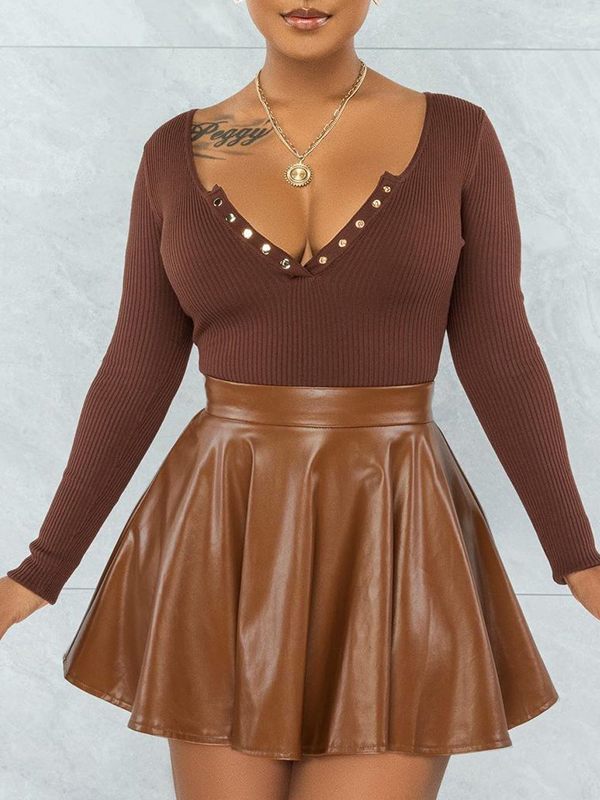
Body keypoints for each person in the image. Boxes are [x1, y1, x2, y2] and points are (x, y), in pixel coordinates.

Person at [2, 1, 600, 798]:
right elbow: (136, 368)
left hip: (397, 530)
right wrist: (42, 569)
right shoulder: (173, 151)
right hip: (221, 535)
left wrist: (578, 557)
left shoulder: (461, 136)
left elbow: (501, 352)